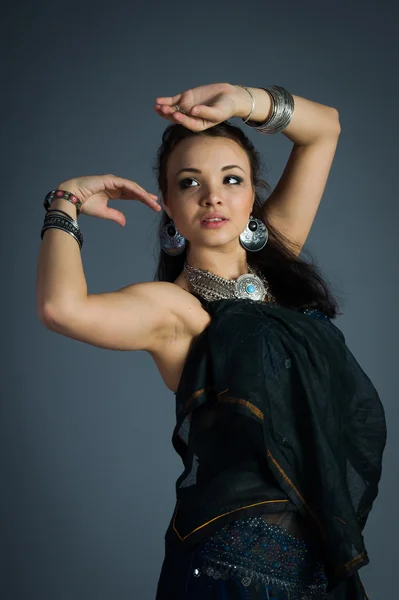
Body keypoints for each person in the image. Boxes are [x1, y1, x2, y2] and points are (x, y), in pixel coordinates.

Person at [36, 83, 387, 600]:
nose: (213, 195)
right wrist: (65, 201)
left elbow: (324, 129)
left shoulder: (278, 266)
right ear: (170, 210)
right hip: (232, 567)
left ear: (251, 195)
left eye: (231, 179)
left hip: (315, 561)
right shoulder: (175, 310)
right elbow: (60, 308)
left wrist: (244, 101)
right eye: (189, 183)